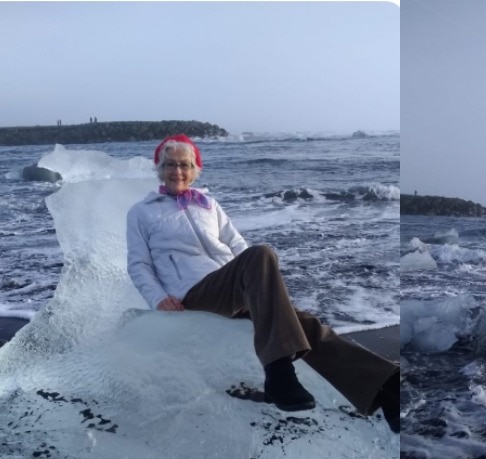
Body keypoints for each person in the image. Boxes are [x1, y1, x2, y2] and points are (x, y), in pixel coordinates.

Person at [126, 134, 400, 432]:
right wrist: (158, 299)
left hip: (230, 286)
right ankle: (278, 371)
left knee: (301, 323)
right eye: (170, 165)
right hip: (191, 294)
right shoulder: (142, 212)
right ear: (159, 169)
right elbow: (138, 264)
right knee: (262, 254)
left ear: (194, 170)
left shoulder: (208, 205)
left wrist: (261, 286)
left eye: (184, 165)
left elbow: (236, 244)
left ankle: (386, 388)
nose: (177, 171)